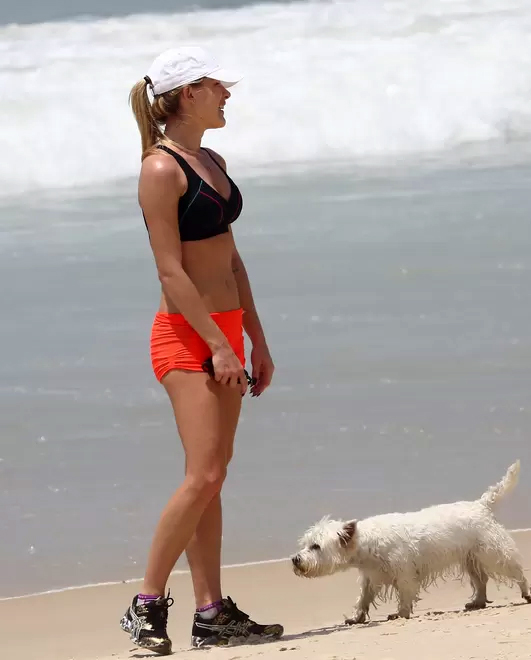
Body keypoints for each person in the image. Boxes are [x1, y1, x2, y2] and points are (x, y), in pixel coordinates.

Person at [120, 46, 284, 654]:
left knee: (214, 479)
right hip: (187, 338)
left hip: (227, 333)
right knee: (204, 473)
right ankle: (145, 604)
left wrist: (255, 339)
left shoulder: (211, 159)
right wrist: (218, 346)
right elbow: (171, 273)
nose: (228, 95)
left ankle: (212, 613)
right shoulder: (160, 170)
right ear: (188, 92)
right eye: (219, 86)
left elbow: (230, 258)